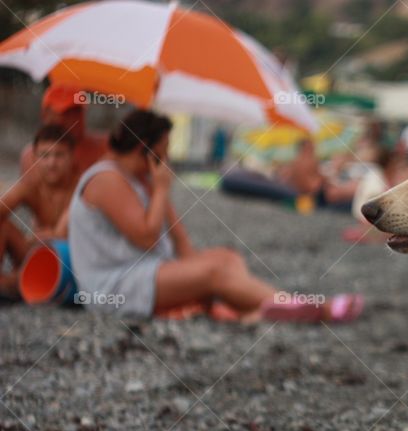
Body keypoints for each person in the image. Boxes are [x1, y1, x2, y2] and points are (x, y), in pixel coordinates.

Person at [68, 109, 363, 321]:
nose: (167, 159)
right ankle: (308, 308)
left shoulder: (137, 179)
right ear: (146, 151)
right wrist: (159, 189)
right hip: (114, 286)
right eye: (163, 152)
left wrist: (192, 266)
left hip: (143, 274)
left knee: (225, 259)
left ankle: (259, 306)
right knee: (215, 272)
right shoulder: (106, 179)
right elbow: (146, 237)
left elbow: (177, 237)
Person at [0, 124, 79, 297]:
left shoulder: (83, 186)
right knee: (3, 225)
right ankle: (14, 283)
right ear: (35, 158)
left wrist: (55, 235)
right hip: (35, 251)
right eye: (45, 155)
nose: (51, 163)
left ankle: (14, 283)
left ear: (72, 157)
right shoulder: (30, 185)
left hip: (72, 260)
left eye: (59, 155)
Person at [20, 85, 107, 178]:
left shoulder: (107, 148)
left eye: (77, 111)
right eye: (66, 112)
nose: (74, 118)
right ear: (46, 115)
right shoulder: (31, 157)